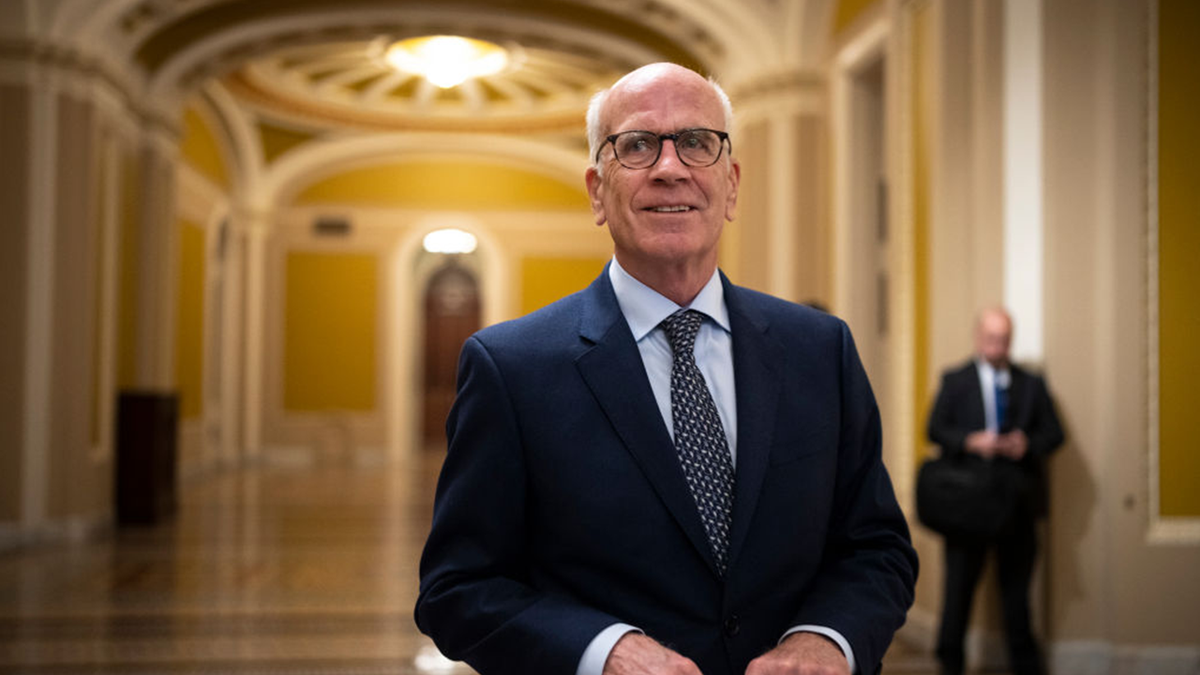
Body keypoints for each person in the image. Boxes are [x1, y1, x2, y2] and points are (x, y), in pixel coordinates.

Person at [415, 62, 917, 675]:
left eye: (697, 142)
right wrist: (603, 652)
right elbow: (457, 590)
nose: (670, 167)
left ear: (731, 185)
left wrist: (824, 641)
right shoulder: (512, 367)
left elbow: (876, 548)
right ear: (598, 191)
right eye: (637, 146)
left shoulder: (820, 349)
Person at [926, 307, 1064, 675]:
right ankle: (949, 664)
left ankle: (1026, 666)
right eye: (990, 338)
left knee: (1017, 602)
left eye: (1003, 340)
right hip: (967, 506)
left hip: (1017, 508)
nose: (997, 346)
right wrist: (971, 441)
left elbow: (1054, 433)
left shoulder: (1031, 383)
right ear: (977, 337)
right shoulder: (955, 380)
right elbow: (935, 429)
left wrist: (1026, 444)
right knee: (957, 596)